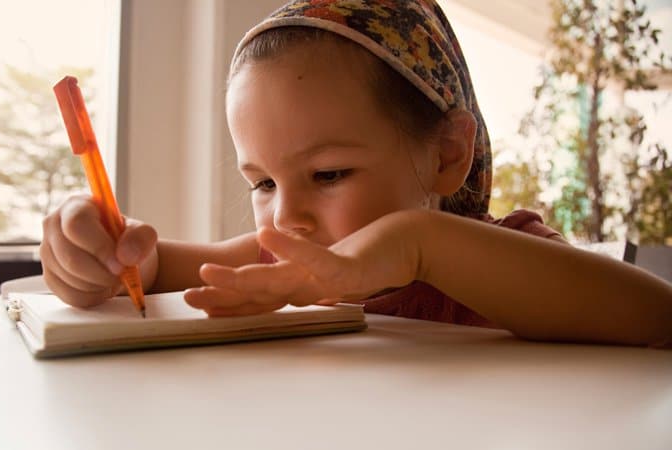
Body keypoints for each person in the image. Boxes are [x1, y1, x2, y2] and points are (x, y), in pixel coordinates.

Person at [40, 0, 672, 347]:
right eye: (263, 183)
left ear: (448, 155)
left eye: (329, 173)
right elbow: (156, 266)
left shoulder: (501, 257)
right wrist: (103, 251)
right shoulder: (285, 258)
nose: (286, 217)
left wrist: (416, 244)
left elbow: (655, 314)